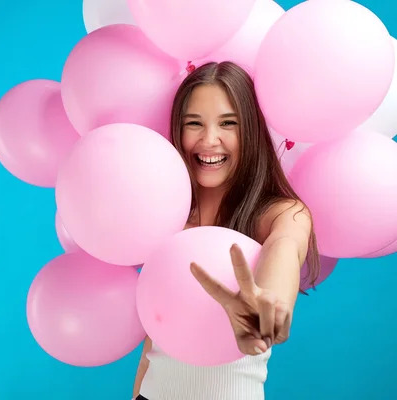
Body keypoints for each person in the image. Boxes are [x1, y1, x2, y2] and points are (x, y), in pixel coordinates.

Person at [131, 61, 321, 400]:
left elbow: (284, 249)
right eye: (194, 124)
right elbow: (154, 341)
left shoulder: (282, 214)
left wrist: (269, 306)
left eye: (227, 124)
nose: (209, 140)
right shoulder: (165, 216)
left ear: (250, 129)